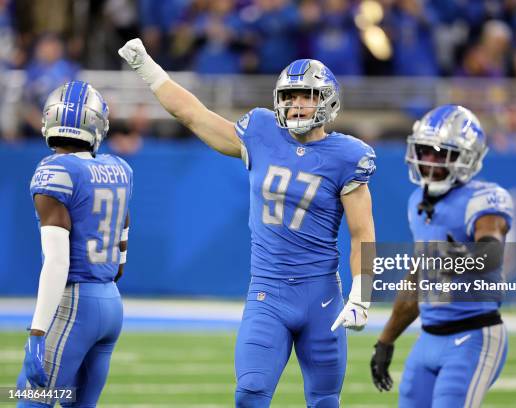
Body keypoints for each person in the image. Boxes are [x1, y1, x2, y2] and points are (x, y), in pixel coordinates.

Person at [118, 39, 376, 407]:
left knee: (324, 401)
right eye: (290, 97)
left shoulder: (347, 156)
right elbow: (193, 114)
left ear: (327, 100)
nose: (296, 104)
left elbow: (362, 232)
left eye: (307, 96)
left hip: (322, 296)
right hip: (268, 293)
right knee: (250, 394)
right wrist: (147, 67)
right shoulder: (261, 132)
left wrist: (362, 294)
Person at [370, 105, 513, 407]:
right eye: (425, 151)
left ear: (467, 156)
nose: (429, 160)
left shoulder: (483, 199)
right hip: (429, 339)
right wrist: (385, 340)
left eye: (441, 152)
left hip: (473, 335)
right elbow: (417, 280)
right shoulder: (416, 202)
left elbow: (491, 252)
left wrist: (452, 258)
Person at [16, 80, 133, 407]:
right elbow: (123, 238)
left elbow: (57, 262)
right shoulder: (118, 168)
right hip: (111, 302)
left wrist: (38, 333)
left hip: (76, 304)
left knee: (31, 401)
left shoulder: (54, 171)